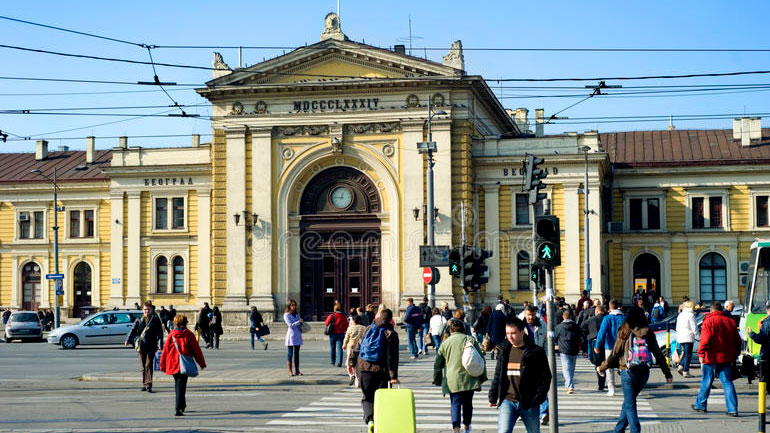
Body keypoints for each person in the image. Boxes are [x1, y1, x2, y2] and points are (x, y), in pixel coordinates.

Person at [597, 306, 673, 433]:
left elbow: (615, 353)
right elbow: (658, 353)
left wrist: (602, 367)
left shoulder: (625, 330)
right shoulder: (648, 332)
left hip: (628, 371)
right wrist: (667, 373)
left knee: (630, 403)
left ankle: (635, 430)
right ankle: (618, 429)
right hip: (644, 372)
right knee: (629, 401)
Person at [489, 318, 551, 433]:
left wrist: (537, 398)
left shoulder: (535, 351)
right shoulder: (504, 349)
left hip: (528, 402)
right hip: (507, 401)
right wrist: (493, 395)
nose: (510, 337)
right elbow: (498, 374)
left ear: (522, 332)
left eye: (513, 333)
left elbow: (545, 377)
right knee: (503, 431)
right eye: (507, 333)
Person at [348, 308, 399, 432]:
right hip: (381, 370)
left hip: (364, 368)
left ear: (379, 317)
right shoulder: (391, 334)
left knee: (367, 396)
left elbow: (356, 347)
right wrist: (393, 376)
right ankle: (380, 420)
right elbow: (392, 357)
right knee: (381, 397)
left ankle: (370, 420)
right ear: (390, 320)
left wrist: (351, 362)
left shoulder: (368, 329)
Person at [433, 319, 487, 433]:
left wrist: (437, 379)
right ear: (463, 329)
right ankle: (467, 427)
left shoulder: (445, 343)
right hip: (470, 377)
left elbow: (438, 364)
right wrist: (482, 377)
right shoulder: (470, 339)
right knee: (468, 404)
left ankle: (456, 428)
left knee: (455, 404)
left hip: (452, 379)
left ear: (450, 330)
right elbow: (481, 359)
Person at [692, 302, 740, 417]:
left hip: (711, 357)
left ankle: (701, 405)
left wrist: (701, 354)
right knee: (727, 382)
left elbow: (705, 340)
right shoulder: (730, 321)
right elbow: (737, 340)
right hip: (726, 357)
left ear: (711, 311)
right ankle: (732, 409)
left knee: (706, 381)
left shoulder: (709, 321)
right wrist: (735, 354)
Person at [159, 314, 206, 416]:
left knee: (178, 384)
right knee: (181, 385)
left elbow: (165, 351)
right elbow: (196, 351)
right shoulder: (189, 334)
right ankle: (178, 408)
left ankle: (182, 405)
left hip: (173, 363)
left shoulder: (171, 334)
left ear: (175, 323)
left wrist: (162, 365)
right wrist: (201, 363)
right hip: (184, 363)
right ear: (185, 323)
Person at [125, 301, 163, 392]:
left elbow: (160, 333)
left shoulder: (155, 320)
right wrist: (128, 340)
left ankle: (149, 384)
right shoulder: (139, 320)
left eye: (148, 309)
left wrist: (161, 344)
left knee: (148, 364)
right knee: (143, 366)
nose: (147, 311)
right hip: (141, 346)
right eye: (145, 309)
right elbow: (133, 330)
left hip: (152, 345)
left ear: (151, 310)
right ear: (142, 310)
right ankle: (144, 384)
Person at [594, 299, 625, 396]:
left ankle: (611, 389)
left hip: (610, 345)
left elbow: (602, 332)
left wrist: (597, 345)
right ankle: (626, 387)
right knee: (623, 367)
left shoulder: (607, 318)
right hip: (622, 346)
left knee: (609, 367)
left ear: (610, 307)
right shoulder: (624, 318)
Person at [554, 309, 582, 394]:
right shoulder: (576, 326)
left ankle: (569, 385)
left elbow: (555, 337)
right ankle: (568, 384)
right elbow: (581, 337)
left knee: (566, 368)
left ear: (563, 316)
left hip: (563, 349)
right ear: (572, 317)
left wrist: (556, 344)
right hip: (574, 349)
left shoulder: (559, 327)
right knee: (571, 368)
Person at [582, 304, 607, 391]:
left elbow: (582, 327)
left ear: (596, 311)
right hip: (606, 342)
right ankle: (605, 382)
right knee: (606, 361)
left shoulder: (591, 319)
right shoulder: (606, 318)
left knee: (597, 363)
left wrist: (588, 334)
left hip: (594, 341)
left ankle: (601, 384)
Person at [750, 300, 770, 385]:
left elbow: (762, 338)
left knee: (766, 377)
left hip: (768, 352)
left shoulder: (767, 323)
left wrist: (752, 334)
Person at [675, 300, 698, 378]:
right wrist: (698, 336)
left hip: (681, 337)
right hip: (688, 337)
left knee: (685, 353)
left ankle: (681, 366)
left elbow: (677, 327)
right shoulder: (691, 315)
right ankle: (686, 371)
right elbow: (694, 328)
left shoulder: (680, 315)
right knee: (688, 355)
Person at [343, 315, 366, 385]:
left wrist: (344, 345)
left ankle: (351, 374)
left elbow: (346, 338)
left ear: (354, 321)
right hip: (360, 347)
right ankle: (358, 381)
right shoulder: (364, 328)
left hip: (351, 347)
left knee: (349, 362)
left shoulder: (350, 328)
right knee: (358, 364)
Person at [325, 301, 349, 367]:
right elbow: (346, 325)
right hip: (341, 333)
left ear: (335, 309)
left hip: (332, 333)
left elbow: (326, 323)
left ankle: (332, 361)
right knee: (340, 348)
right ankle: (339, 362)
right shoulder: (343, 316)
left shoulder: (332, 315)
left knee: (332, 348)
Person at [284, 299, 303, 376]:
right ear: (289, 306)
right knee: (290, 353)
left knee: (297, 354)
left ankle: (297, 370)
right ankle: (289, 370)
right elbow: (290, 325)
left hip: (297, 335)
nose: (294, 306)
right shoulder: (286, 315)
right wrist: (299, 322)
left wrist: (301, 323)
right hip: (291, 336)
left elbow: (299, 323)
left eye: (295, 305)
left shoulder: (297, 314)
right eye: (292, 305)